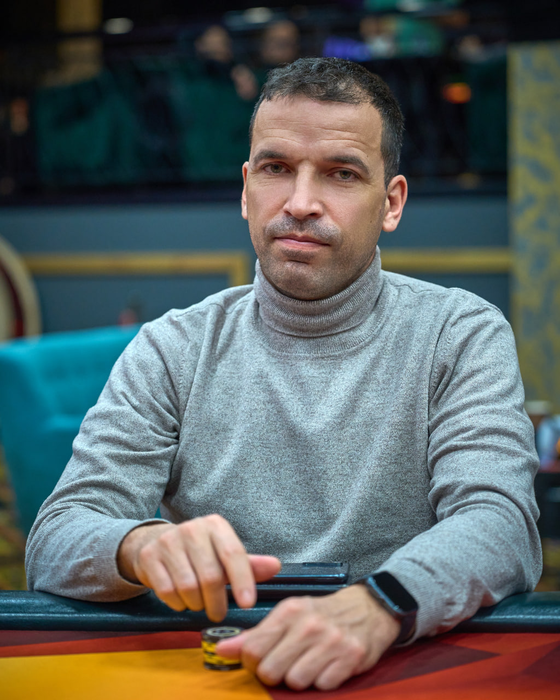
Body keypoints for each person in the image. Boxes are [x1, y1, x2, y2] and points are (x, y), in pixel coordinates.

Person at [26, 58, 542, 691]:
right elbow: (56, 538)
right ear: (246, 189)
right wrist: (139, 545)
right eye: (275, 168)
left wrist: (379, 607)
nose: (300, 203)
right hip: (220, 670)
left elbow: (501, 526)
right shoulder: (172, 347)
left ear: (391, 203)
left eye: (341, 173)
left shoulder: (459, 333)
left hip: (401, 666)